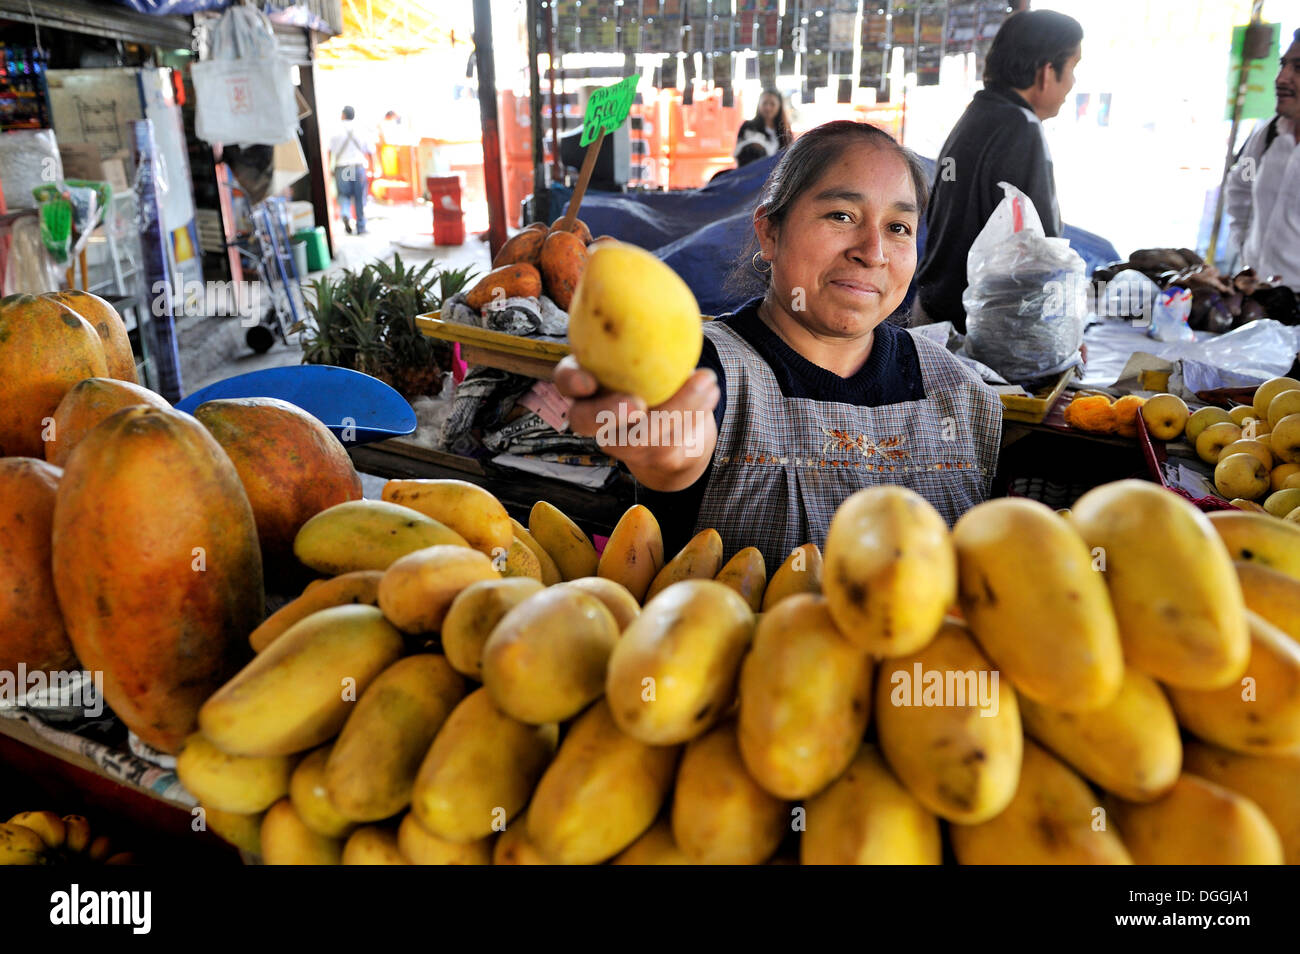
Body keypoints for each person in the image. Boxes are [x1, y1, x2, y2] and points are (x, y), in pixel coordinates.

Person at [555, 121, 1003, 567]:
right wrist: (665, 454)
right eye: (841, 216)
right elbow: (680, 437)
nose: (873, 251)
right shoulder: (709, 367)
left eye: (899, 227)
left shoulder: (960, 392)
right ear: (770, 232)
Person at [915, 10, 1083, 331]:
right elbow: (1040, 250)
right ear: (1047, 72)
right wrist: (1062, 329)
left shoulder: (977, 114)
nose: (1073, 83)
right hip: (976, 329)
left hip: (935, 310)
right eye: (1073, 67)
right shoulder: (1022, 129)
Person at [1226, 29, 1300, 292]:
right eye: (1283, 65)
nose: (1281, 78)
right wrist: (1246, 246)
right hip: (1256, 298)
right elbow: (1240, 186)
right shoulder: (1266, 137)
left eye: (1298, 68)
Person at [329, 106, 373, 235]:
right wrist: (373, 167)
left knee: (344, 195)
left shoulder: (335, 129)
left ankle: (346, 214)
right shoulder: (361, 129)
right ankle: (360, 227)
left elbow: (329, 150)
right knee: (359, 197)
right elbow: (370, 150)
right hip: (357, 167)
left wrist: (329, 168)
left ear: (343, 115)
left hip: (342, 167)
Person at [734, 89, 793, 160]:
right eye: (764, 103)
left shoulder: (785, 130)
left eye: (772, 104)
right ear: (759, 104)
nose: (768, 108)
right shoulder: (747, 126)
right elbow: (737, 153)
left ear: (779, 106)